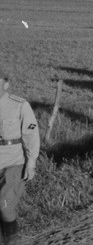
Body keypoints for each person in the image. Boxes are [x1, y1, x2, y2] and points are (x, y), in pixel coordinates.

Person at [0, 71, 39, 244]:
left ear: (5, 84)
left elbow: (31, 134)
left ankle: (12, 240)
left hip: (13, 163)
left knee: (4, 203)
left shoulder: (19, 105)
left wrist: (31, 162)